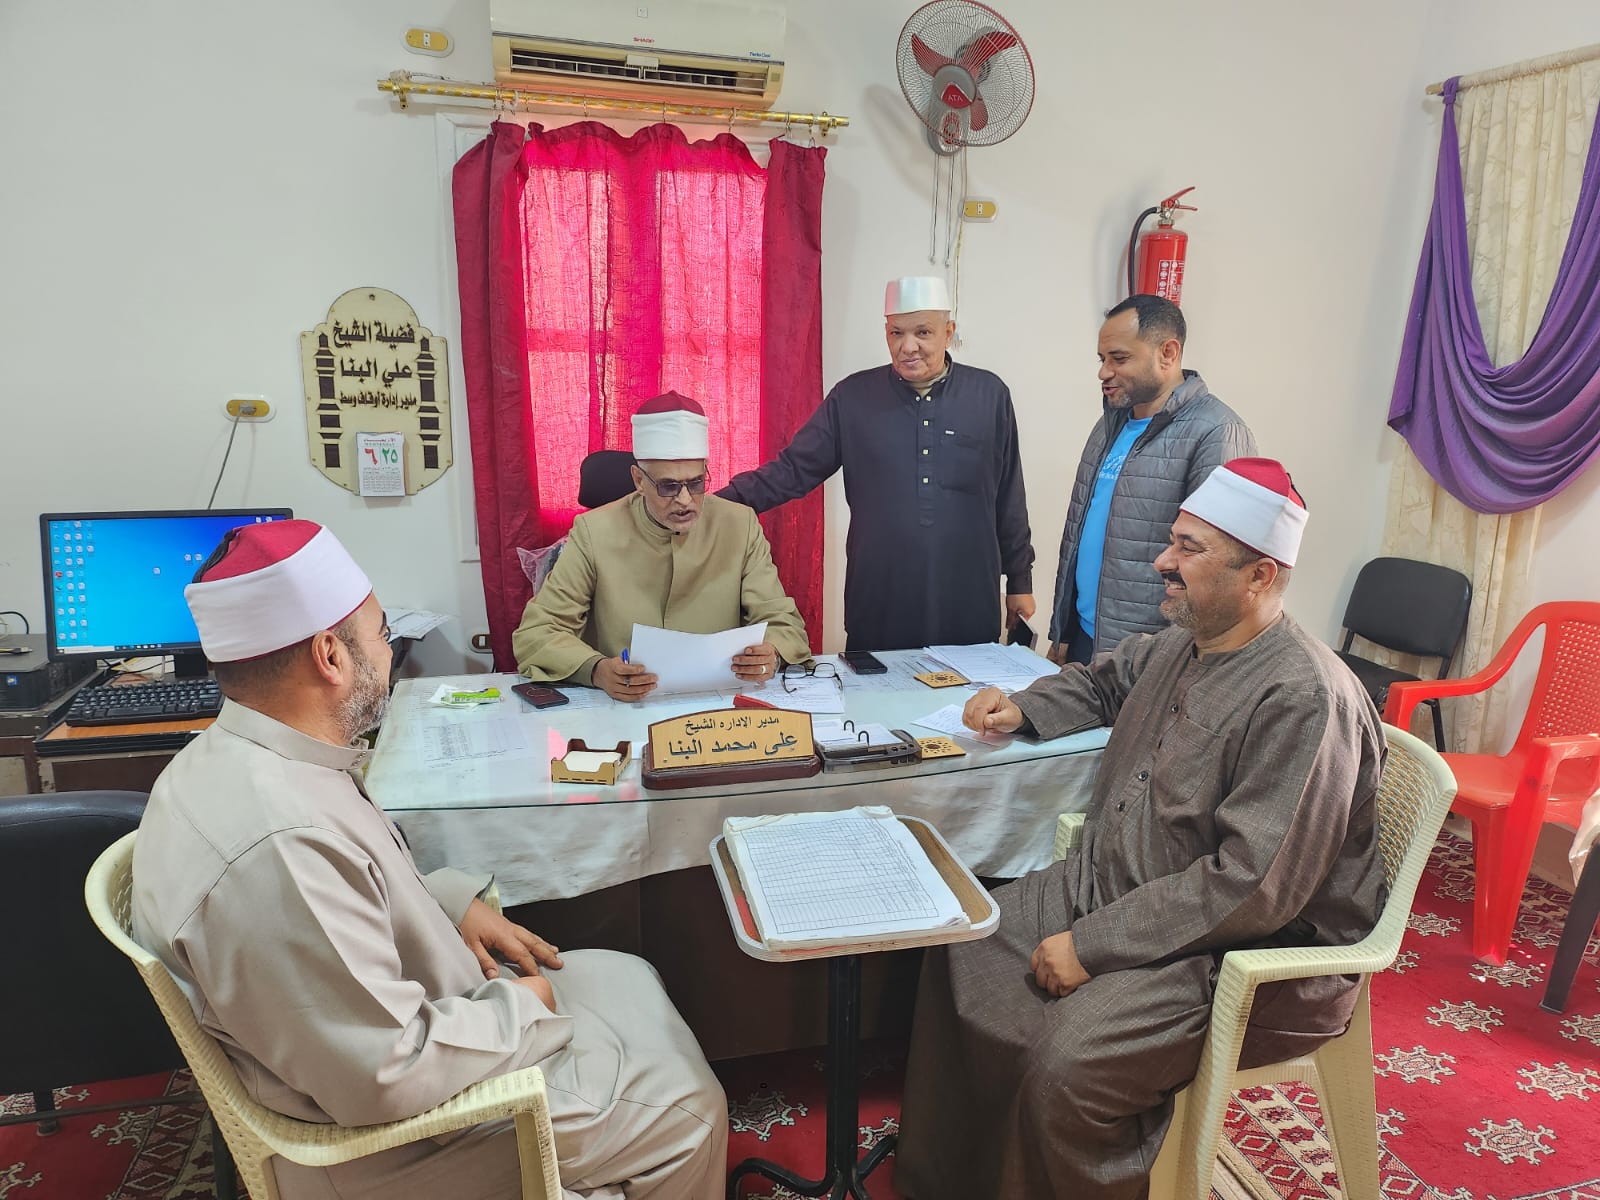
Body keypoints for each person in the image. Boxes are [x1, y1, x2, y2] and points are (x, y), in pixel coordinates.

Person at [132, 520, 727, 1200]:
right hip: (403, 1140)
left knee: (627, 972)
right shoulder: (278, 842)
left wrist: (447, 905)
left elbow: (347, 898)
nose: (388, 653)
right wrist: (522, 1008)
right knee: (691, 1115)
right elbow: (383, 1074)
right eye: (382, 634)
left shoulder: (247, 757)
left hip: (411, 1028)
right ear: (330, 656)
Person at [896, 459, 1387, 1200]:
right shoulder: (1181, 643)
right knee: (963, 948)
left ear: (1259, 576)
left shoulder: (1304, 697)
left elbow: (1252, 885)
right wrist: (1024, 707)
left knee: (1066, 1066)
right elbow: (1103, 682)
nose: (1162, 561)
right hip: (1111, 883)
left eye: (1189, 548)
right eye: (1171, 541)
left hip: (1230, 952)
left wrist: (1092, 946)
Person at [718, 276, 1034, 651]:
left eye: (923, 332)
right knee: (875, 688)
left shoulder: (989, 395)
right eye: (896, 333)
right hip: (879, 603)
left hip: (968, 600)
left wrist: (1020, 580)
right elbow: (791, 471)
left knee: (968, 690)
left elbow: (1009, 495)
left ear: (948, 333)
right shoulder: (852, 398)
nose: (908, 346)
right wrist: (713, 504)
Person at [513, 392, 812, 702]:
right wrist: (596, 670)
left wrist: (771, 653)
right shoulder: (594, 532)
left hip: (717, 704)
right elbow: (538, 632)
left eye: (695, 483)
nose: (684, 500)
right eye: (668, 486)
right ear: (639, 480)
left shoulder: (739, 524)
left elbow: (784, 622)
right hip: (625, 705)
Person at [1048, 294, 1255, 664]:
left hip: (1153, 656)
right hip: (1088, 640)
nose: (1104, 372)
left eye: (1119, 358)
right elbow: (1078, 536)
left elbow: (1217, 566)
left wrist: (1179, 664)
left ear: (1168, 353)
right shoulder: (1109, 425)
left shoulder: (1216, 433)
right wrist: (1061, 632)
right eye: (1102, 359)